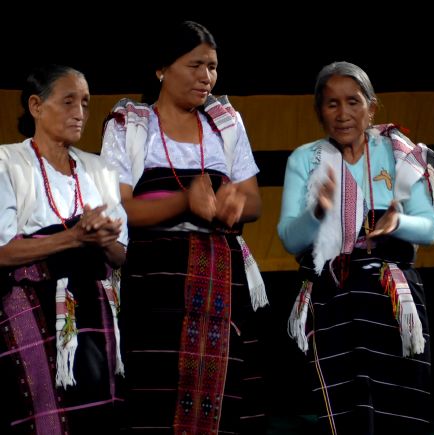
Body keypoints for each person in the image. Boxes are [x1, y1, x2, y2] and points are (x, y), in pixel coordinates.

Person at [100, 21, 268, 434]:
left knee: (223, 398)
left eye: (212, 67)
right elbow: (119, 209)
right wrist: (183, 202)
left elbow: (254, 200)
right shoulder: (130, 125)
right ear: (162, 69)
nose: (206, 77)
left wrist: (234, 205)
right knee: (157, 397)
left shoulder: (226, 123)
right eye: (195, 65)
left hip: (221, 282)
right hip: (154, 283)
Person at [278, 61, 434, 435]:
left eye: (353, 102)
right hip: (332, 303)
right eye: (332, 104)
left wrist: (398, 222)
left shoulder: (397, 155)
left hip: (390, 305)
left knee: (397, 414)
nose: (343, 113)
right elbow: (290, 239)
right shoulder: (306, 160)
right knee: (345, 416)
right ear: (319, 111)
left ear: (371, 108)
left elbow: (429, 228)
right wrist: (317, 212)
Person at [0, 64, 128, 434]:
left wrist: (104, 238)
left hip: (94, 311)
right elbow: (3, 252)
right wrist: (73, 237)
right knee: (43, 413)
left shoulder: (99, 170)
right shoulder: (8, 162)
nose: (80, 112)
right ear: (36, 106)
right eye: (68, 101)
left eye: (85, 103)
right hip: (31, 310)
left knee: (95, 414)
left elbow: (121, 255)